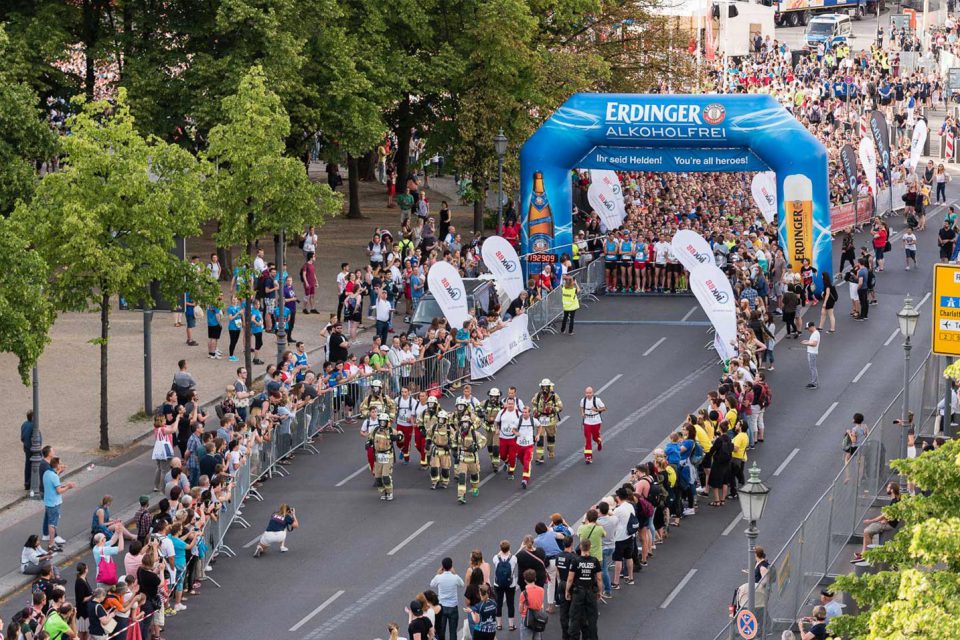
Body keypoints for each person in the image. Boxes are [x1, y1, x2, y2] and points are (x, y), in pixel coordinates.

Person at [853, 483, 900, 561]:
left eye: (888, 487)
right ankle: (864, 553)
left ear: (892, 490)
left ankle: (866, 555)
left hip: (889, 525)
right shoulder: (896, 499)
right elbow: (891, 515)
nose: (886, 489)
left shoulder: (894, 501)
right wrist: (887, 519)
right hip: (888, 522)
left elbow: (883, 516)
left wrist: (870, 521)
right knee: (868, 532)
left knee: (866, 531)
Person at [566, 539, 602, 640]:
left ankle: (574, 637)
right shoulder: (595, 561)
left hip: (578, 592)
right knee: (592, 618)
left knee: (575, 617)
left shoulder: (575, 561)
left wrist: (567, 591)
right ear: (590, 547)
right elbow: (599, 579)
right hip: (590, 592)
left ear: (581, 547)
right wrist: (600, 591)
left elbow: (570, 579)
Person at [43, 457, 75, 552]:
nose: (62, 464)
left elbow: (53, 480)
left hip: (48, 501)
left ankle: (52, 542)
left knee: (51, 522)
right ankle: (51, 544)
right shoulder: (54, 476)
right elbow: (59, 490)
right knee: (53, 524)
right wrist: (69, 486)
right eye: (60, 463)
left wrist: (59, 471)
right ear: (56, 465)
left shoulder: (47, 473)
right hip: (54, 503)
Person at [430, 557, 464, 640]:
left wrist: (438, 573)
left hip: (442, 607)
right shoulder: (455, 577)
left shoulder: (439, 577)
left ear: (442, 566)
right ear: (451, 566)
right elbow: (462, 584)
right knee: (453, 632)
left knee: (441, 631)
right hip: (453, 607)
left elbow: (432, 584)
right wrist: (455, 573)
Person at [369, 414, 401, 501]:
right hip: (378, 456)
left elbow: (401, 436)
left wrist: (397, 437)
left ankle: (390, 492)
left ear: (387, 422)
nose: (382, 423)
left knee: (386, 476)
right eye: (381, 421)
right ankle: (384, 492)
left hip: (388, 455)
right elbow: (370, 438)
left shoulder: (391, 430)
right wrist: (368, 443)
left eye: (384, 422)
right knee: (378, 477)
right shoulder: (375, 430)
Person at [454, 415, 486, 504]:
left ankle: (475, 487)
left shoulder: (475, 434)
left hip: (472, 459)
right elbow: (453, 442)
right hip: (462, 459)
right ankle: (461, 496)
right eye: (463, 423)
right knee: (462, 477)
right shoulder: (457, 434)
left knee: (474, 476)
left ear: (469, 424)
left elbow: (484, 440)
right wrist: (453, 450)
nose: (465, 425)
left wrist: (476, 446)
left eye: (466, 423)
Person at [532, 379, 563, 464]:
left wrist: (552, 409)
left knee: (551, 437)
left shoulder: (555, 396)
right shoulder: (537, 395)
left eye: (546, 387)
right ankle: (539, 457)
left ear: (550, 387)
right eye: (543, 387)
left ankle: (551, 451)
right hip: (541, 419)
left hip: (551, 420)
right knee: (540, 438)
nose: (544, 389)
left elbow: (560, 407)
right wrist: (535, 411)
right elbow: (534, 404)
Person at [492, 540, 518, 631]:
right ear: (509, 548)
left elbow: (497, 558)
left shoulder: (495, 558)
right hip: (510, 584)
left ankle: (499, 624)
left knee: (498, 603)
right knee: (510, 604)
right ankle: (511, 625)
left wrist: (500, 552)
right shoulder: (514, 558)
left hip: (498, 584)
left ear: (500, 548)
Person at [579, 387, 606, 464]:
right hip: (587, 421)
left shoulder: (597, 400)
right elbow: (581, 407)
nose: (588, 394)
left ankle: (598, 441)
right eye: (587, 393)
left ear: (593, 393)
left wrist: (596, 410)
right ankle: (588, 457)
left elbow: (604, 408)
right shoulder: (583, 400)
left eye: (590, 393)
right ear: (585, 393)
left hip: (596, 421)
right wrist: (582, 413)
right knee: (588, 439)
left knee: (595, 437)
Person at [518, 569, 545, 640]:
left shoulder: (523, 593)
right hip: (538, 618)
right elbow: (541, 604)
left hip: (527, 619)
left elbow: (520, 610)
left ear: (525, 580)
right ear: (535, 578)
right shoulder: (541, 590)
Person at [800, 322, 820, 389]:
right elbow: (813, 342)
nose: (808, 330)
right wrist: (807, 341)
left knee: (813, 368)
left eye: (808, 328)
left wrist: (805, 343)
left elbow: (814, 344)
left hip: (812, 353)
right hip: (812, 353)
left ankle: (814, 383)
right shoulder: (815, 333)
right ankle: (814, 382)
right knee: (813, 368)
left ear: (811, 327)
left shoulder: (815, 334)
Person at [21, 410, 36, 491]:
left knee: (28, 465)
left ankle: (28, 483)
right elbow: (27, 438)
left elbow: (22, 438)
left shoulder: (24, 424)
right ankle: (30, 483)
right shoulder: (32, 425)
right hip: (31, 449)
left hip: (27, 448)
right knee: (32, 465)